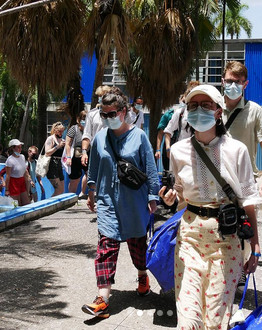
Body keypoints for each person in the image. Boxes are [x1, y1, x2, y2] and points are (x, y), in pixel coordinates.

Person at [158, 85, 261, 329]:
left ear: (218, 111)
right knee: (188, 318)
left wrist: (255, 245)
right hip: (190, 239)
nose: (198, 111)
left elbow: (248, 200)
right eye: (193, 106)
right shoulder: (177, 151)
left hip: (225, 241)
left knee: (215, 319)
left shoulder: (237, 150)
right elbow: (181, 194)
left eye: (206, 105)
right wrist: (171, 198)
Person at [82, 91, 159, 319]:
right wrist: (91, 193)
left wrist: (152, 196)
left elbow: (150, 168)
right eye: (104, 114)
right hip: (107, 202)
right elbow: (93, 169)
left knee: (138, 246)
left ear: (124, 112)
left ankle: (142, 275)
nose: (107, 118)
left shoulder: (139, 136)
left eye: (112, 113)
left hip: (134, 202)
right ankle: (103, 298)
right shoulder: (100, 138)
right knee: (106, 248)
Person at [222, 61, 262, 205]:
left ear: (245, 84)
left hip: (245, 179)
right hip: (217, 178)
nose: (233, 85)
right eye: (229, 81)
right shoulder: (212, 108)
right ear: (223, 82)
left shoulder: (254, 110)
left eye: (238, 82)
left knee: (248, 225)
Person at [163, 81, 200, 166]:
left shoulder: (204, 114)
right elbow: (168, 131)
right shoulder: (180, 113)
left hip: (199, 155)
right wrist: (168, 148)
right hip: (182, 154)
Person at [81, 85, 112, 167]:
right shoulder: (92, 114)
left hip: (111, 150)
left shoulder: (115, 114)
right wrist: (84, 152)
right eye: (99, 96)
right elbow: (87, 134)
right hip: (95, 151)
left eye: (103, 96)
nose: (101, 98)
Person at [65, 110, 88, 195]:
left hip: (86, 155)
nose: (84, 121)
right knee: (75, 179)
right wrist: (68, 157)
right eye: (83, 119)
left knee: (89, 174)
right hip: (74, 157)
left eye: (86, 119)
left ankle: (82, 193)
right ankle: (71, 196)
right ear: (79, 119)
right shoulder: (73, 129)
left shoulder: (88, 130)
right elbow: (67, 144)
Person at [5, 139, 30, 206]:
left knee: (26, 202)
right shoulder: (10, 160)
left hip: (22, 181)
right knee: (17, 203)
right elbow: (8, 175)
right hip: (14, 183)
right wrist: (7, 189)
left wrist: (28, 182)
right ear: (13, 148)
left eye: (20, 147)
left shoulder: (22, 157)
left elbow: (24, 171)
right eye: (18, 147)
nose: (20, 149)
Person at [44, 122, 66, 196]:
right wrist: (58, 146)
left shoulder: (62, 140)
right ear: (55, 130)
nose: (61, 133)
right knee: (58, 189)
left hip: (59, 164)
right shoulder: (50, 139)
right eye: (59, 131)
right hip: (52, 164)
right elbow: (47, 152)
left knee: (62, 189)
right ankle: (49, 205)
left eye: (62, 131)